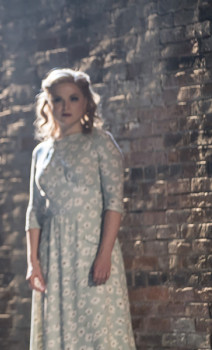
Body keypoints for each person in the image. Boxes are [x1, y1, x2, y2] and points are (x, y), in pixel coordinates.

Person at [25, 68, 135, 349]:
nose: (65, 106)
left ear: (86, 102)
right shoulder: (41, 152)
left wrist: (104, 255)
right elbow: (34, 210)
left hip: (90, 251)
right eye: (58, 99)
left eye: (73, 99)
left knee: (98, 328)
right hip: (53, 254)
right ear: (47, 104)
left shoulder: (101, 142)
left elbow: (113, 204)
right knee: (58, 330)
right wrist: (33, 261)